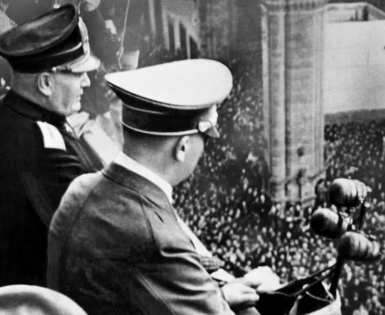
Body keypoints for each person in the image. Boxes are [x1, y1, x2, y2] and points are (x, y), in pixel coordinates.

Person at [48, 59, 261, 314]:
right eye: (204, 138)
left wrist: (219, 294)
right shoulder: (158, 239)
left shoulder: (80, 189)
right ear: (182, 147)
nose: (204, 148)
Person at [0, 4, 103, 286]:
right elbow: (97, 234)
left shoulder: (14, 114)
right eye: (77, 73)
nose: (86, 82)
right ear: (45, 83)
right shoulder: (43, 150)